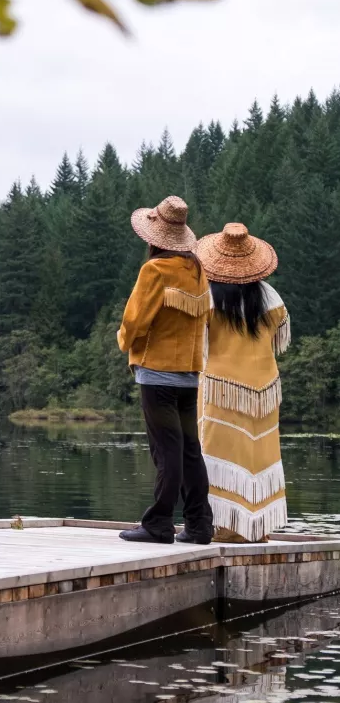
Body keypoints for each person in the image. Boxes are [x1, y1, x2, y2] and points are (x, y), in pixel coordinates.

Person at [116, 196, 213, 545]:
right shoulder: (198, 270)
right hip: (189, 375)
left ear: (155, 236)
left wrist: (123, 340)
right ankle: (200, 525)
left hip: (156, 373)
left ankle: (158, 524)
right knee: (189, 449)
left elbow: (135, 320)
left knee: (165, 450)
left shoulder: (154, 270)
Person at [195, 223, 289, 543]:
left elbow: (199, 339)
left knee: (217, 456)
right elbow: (279, 335)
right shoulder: (270, 297)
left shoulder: (208, 295)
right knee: (258, 455)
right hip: (264, 387)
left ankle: (229, 526)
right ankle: (257, 528)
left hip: (221, 387)